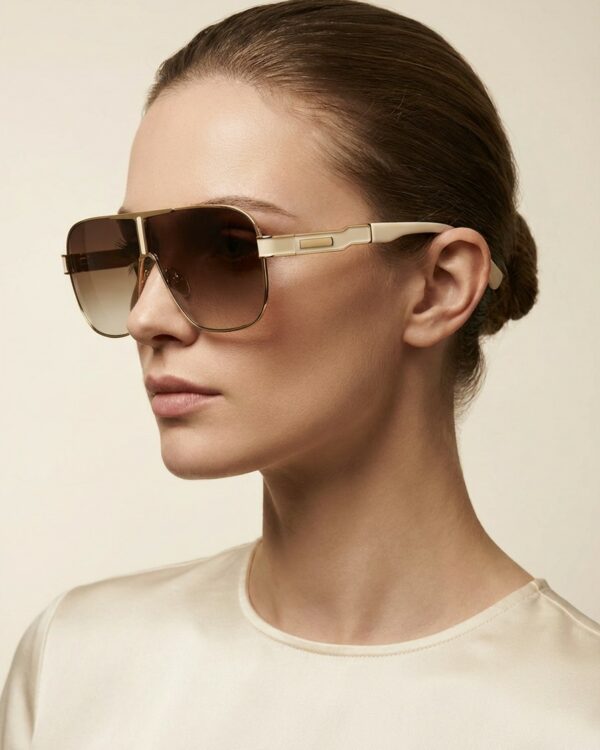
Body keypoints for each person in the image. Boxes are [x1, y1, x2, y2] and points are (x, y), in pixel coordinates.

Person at [1, 0, 599, 747]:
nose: (148, 316)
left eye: (229, 248)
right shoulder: (74, 665)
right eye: (128, 254)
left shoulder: (574, 717)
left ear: (439, 286)